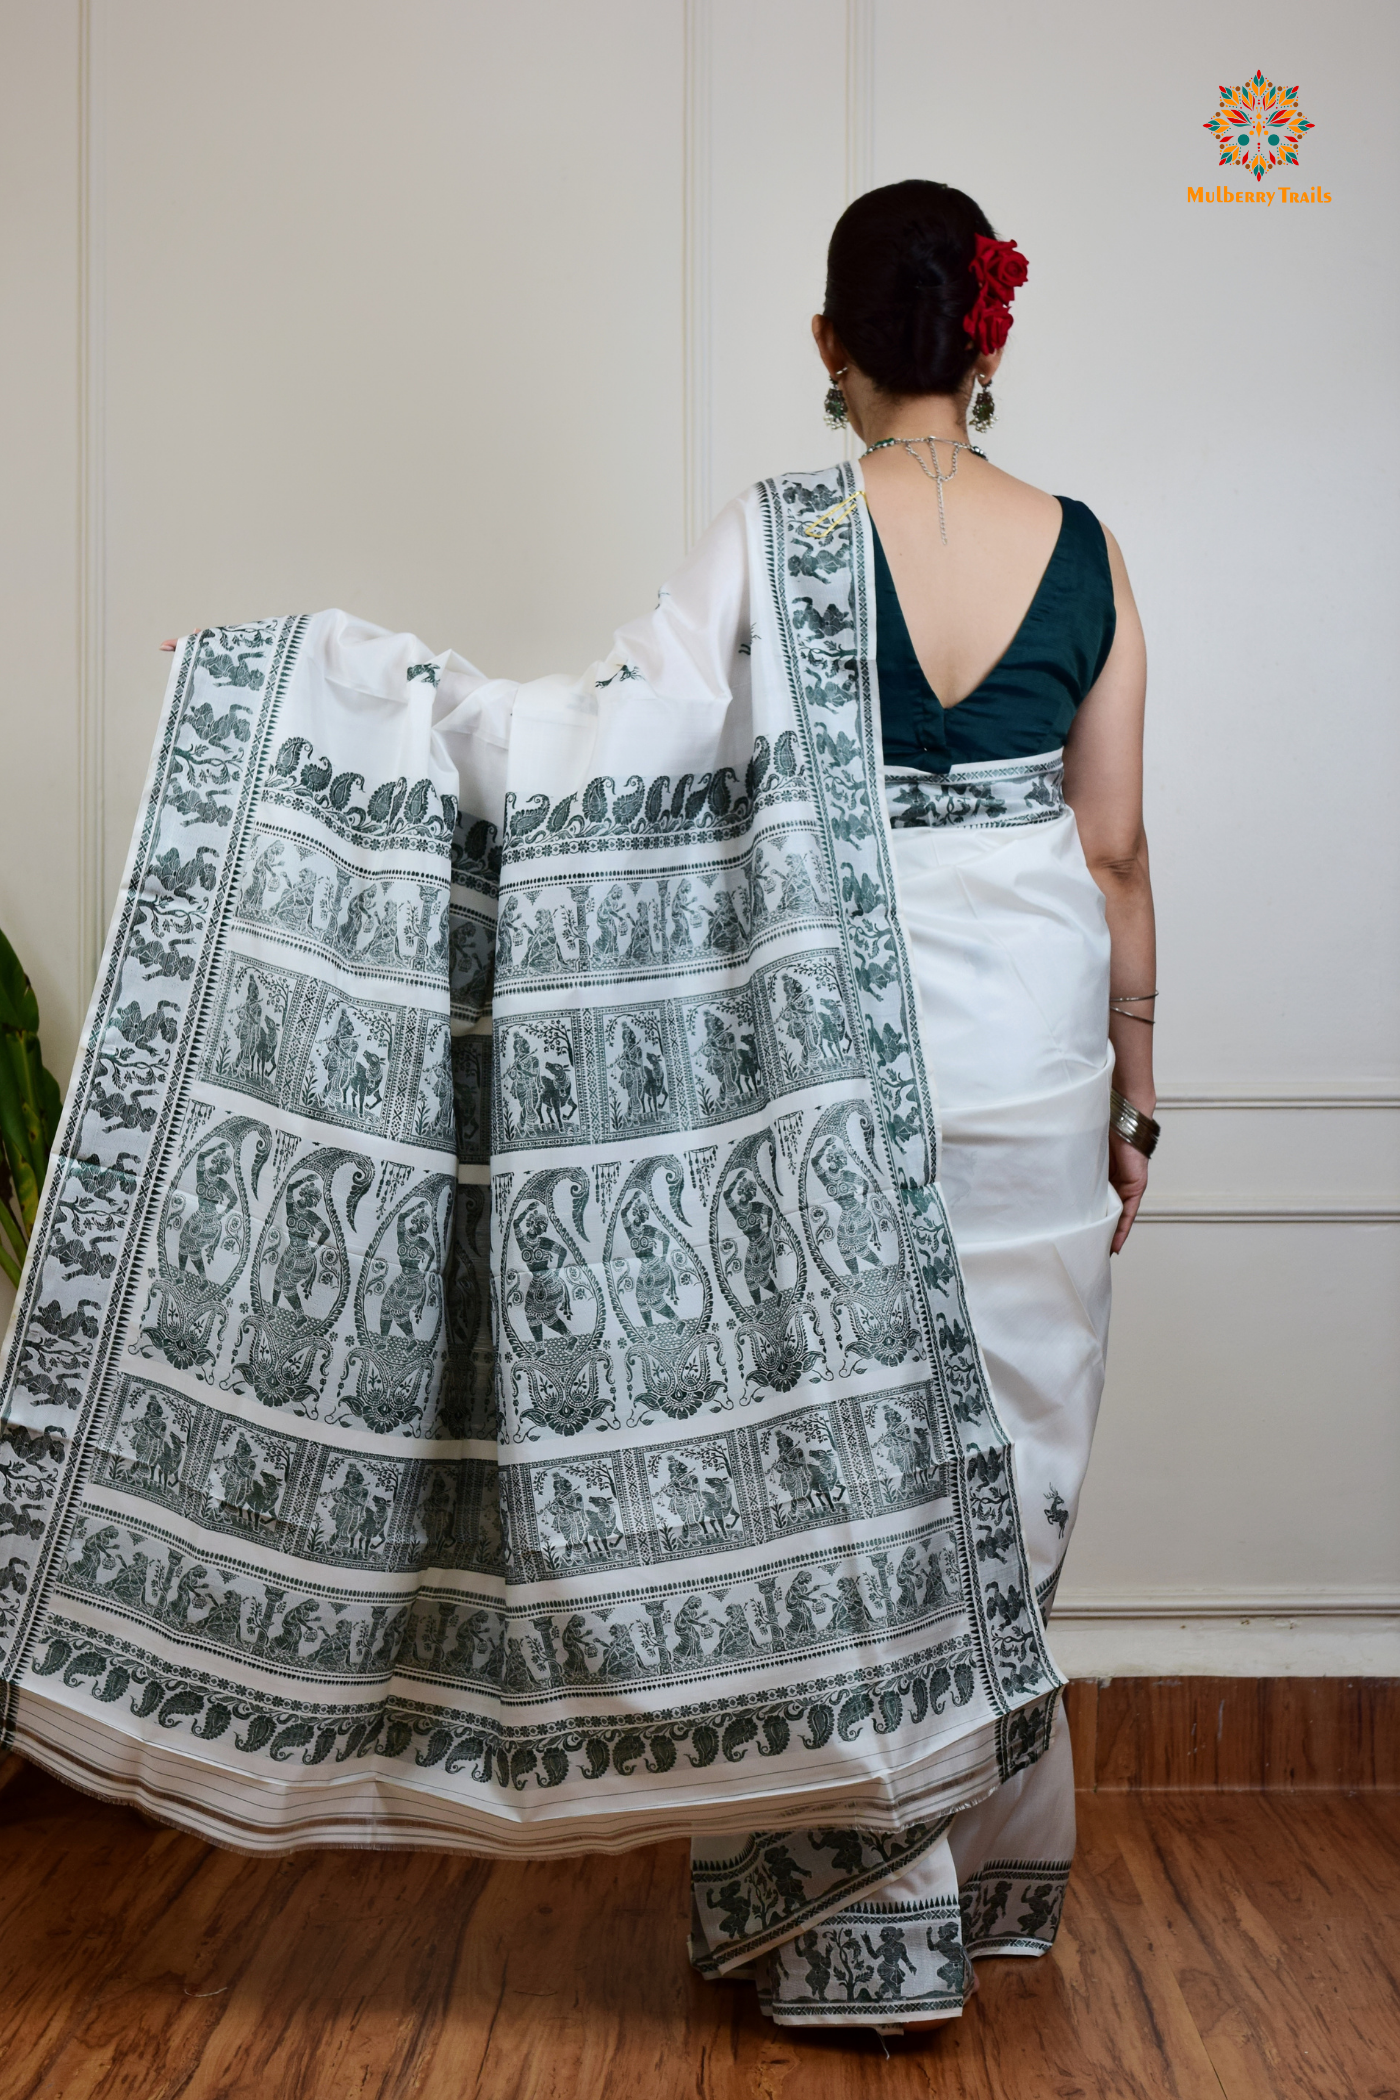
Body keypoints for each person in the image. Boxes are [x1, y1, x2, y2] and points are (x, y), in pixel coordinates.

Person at [3, 180, 1155, 2038]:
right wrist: (1141, 1101)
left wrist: (307, 698)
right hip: (1032, 1032)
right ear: (993, 338)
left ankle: (859, 1918)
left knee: (836, 1463)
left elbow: (598, 733)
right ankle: (948, 1869)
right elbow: (1112, 848)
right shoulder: (1087, 549)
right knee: (1010, 1444)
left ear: (833, 346)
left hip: (826, 1052)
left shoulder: (780, 537)